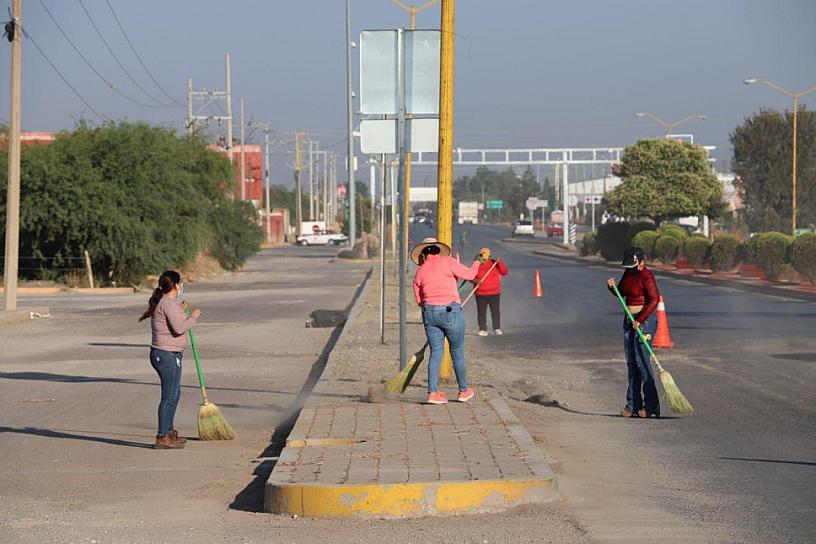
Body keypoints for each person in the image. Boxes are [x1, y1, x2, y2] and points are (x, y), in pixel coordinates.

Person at [412, 237, 479, 405]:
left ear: (423, 255)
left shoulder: (420, 272)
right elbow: (471, 274)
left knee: (436, 354)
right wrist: (477, 262)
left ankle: (433, 393)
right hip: (451, 312)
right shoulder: (448, 262)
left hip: (429, 314)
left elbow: (419, 300)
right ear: (438, 251)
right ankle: (463, 391)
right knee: (456, 352)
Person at [139, 270, 202, 448]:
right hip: (167, 355)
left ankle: (168, 431)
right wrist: (193, 316)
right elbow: (179, 328)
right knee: (169, 396)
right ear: (175, 285)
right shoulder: (168, 303)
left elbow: (172, 321)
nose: (181, 286)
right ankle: (162, 436)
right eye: (180, 283)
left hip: (167, 354)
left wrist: (181, 310)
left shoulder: (168, 303)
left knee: (174, 394)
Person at [607, 247, 660, 418]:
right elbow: (622, 292)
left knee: (642, 362)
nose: (630, 269)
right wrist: (612, 288)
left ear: (642, 262)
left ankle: (651, 406)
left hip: (644, 321)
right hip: (629, 321)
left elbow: (654, 300)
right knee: (631, 363)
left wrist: (641, 319)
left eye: (633, 265)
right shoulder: (629, 274)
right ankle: (633, 405)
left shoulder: (647, 276)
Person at [472, 247, 508, 336]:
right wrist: (475, 281)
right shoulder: (476, 264)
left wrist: (500, 262)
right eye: (482, 257)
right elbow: (470, 275)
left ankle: (496, 328)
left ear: (489, 256)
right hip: (480, 293)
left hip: (494, 293)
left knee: (495, 311)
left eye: (485, 258)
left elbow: (504, 272)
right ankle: (482, 329)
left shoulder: (494, 263)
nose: (483, 260)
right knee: (481, 312)